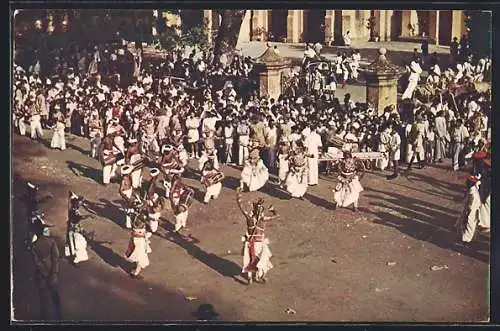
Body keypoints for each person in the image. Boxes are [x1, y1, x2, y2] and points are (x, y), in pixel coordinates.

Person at [236, 187, 278, 284]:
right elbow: (277, 216)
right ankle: (254, 277)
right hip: (255, 243)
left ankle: (255, 276)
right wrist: (273, 210)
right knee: (255, 259)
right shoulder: (257, 219)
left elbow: (241, 208)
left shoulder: (252, 219)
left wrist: (238, 197)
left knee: (253, 259)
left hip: (253, 243)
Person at [29, 223, 63, 320]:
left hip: (41, 274)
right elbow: (56, 258)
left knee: (43, 297)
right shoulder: (51, 242)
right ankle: (59, 315)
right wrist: (54, 273)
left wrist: (44, 272)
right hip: (52, 272)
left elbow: (36, 262)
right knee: (55, 295)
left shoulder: (34, 246)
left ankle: (44, 317)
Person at [65, 191, 91, 266]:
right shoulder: (72, 211)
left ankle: (74, 258)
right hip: (72, 230)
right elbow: (78, 218)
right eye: (79, 202)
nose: (80, 204)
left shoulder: (74, 209)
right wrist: (88, 216)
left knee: (75, 244)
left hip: (75, 229)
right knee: (74, 245)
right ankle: (73, 259)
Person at [456, 175, 482, 243]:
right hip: (473, 205)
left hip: (473, 208)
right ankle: (468, 235)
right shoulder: (473, 189)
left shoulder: (472, 192)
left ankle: (467, 237)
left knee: (471, 218)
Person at [145, 168, 163, 233]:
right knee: (153, 213)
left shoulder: (153, 181)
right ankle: (152, 229)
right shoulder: (152, 183)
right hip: (152, 199)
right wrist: (154, 203)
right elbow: (149, 194)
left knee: (154, 213)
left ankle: (153, 227)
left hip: (152, 197)